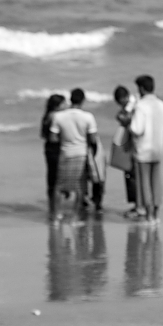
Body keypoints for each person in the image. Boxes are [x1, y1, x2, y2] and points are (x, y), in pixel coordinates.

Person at [48, 88, 98, 224]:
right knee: (78, 186)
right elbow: (93, 139)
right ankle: (74, 217)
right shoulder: (88, 117)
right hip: (81, 154)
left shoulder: (59, 116)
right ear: (83, 100)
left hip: (65, 153)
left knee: (59, 186)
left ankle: (57, 216)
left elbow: (52, 138)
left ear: (70, 99)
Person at [128, 75, 163, 226]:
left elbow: (136, 129)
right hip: (158, 149)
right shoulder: (162, 105)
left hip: (143, 149)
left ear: (141, 89)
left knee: (144, 184)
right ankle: (156, 215)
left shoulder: (141, 106)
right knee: (156, 183)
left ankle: (149, 215)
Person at [111, 85, 142, 219]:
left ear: (123, 98)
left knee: (133, 176)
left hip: (136, 145)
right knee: (133, 175)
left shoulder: (132, 105)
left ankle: (138, 207)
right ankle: (138, 205)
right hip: (135, 144)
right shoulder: (136, 102)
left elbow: (127, 119)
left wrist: (120, 117)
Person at [40, 93, 66, 219]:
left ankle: (52, 209)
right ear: (57, 105)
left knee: (51, 179)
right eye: (63, 103)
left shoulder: (46, 116)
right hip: (57, 149)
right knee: (58, 180)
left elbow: (43, 135)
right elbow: (55, 136)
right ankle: (57, 210)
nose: (65, 106)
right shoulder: (56, 117)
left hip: (48, 149)